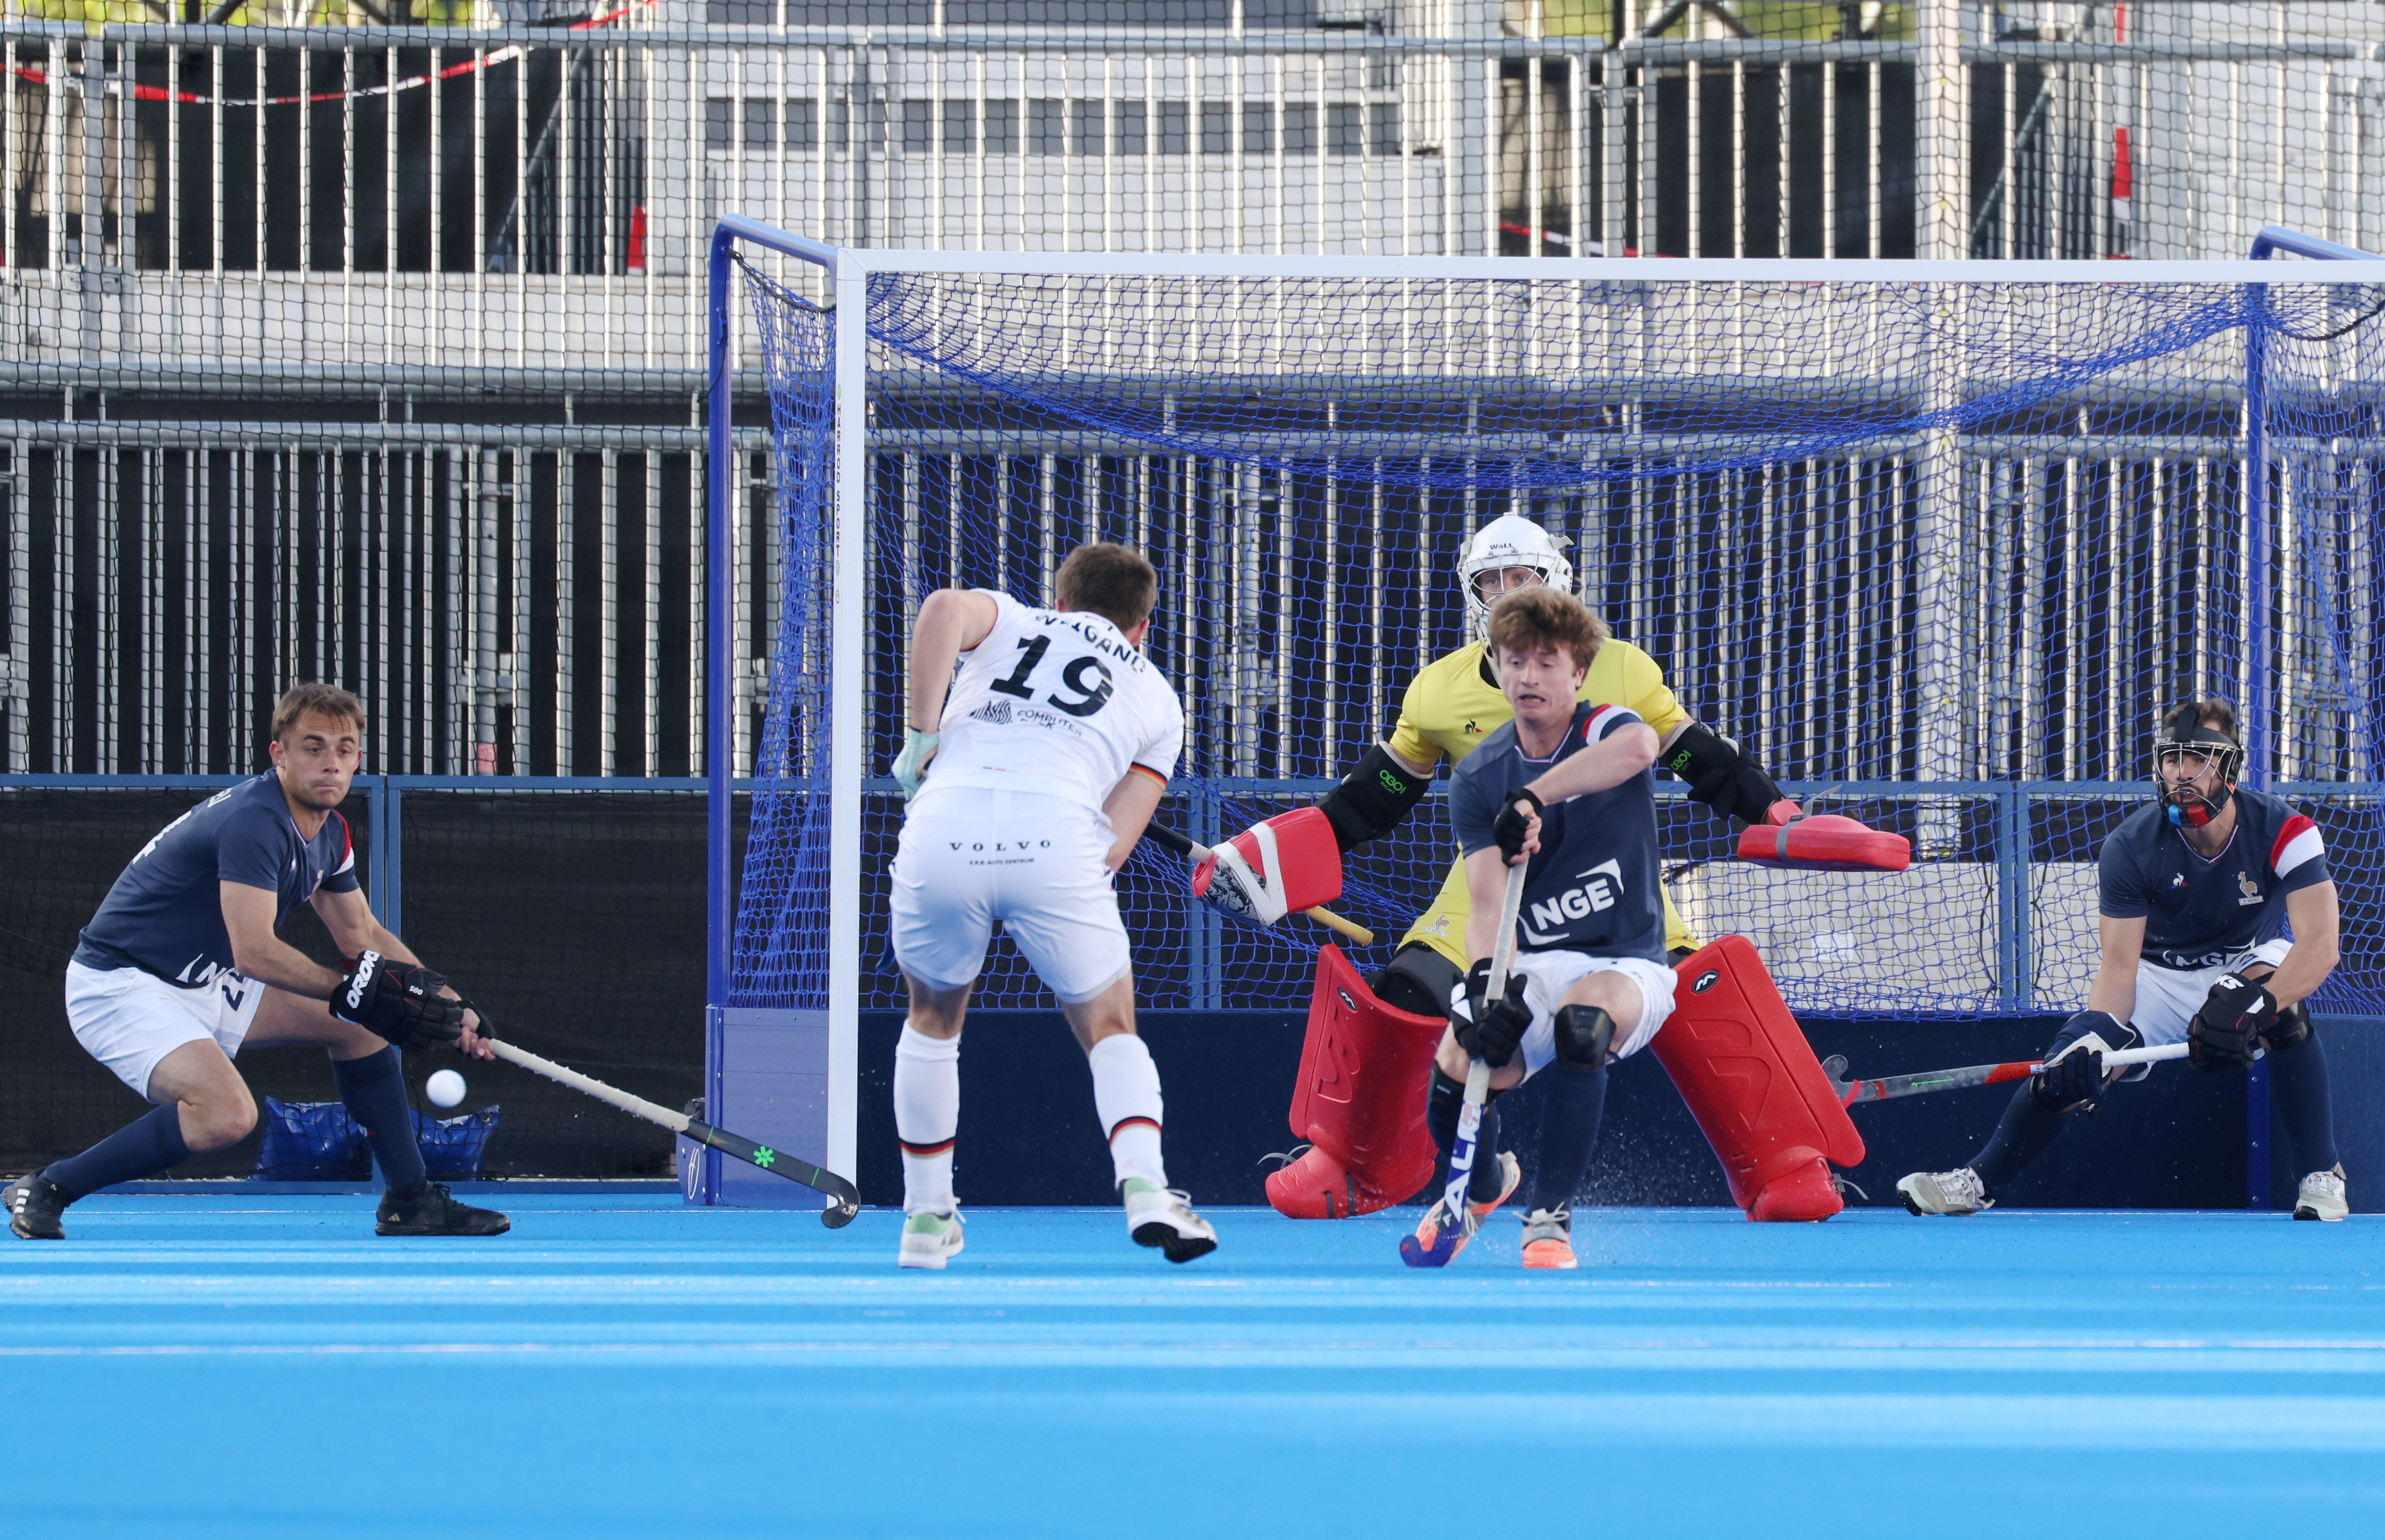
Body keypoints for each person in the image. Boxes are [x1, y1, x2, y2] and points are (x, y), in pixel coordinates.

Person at [1207, 514, 1844, 1223]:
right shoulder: (1439, 690)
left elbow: (1696, 755)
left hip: (1613, 880)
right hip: (1490, 880)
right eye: (1491, 581)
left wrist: (1778, 813)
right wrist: (1268, 859)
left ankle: (1783, 1159)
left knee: (1696, 989)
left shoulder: (1624, 669)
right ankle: (1363, 1162)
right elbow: (1375, 797)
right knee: (1408, 993)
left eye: (1523, 578)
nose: (1505, 593)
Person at [4, 684, 506, 1241]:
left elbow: (360, 931)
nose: (330, 763)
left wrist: (447, 1002)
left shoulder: (329, 831)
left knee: (361, 1029)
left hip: (205, 980)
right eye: (313, 747)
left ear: (358, 759)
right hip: (122, 984)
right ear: (279, 755)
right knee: (224, 1116)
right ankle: (48, 1186)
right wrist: (347, 990)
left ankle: (411, 1201)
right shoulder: (256, 822)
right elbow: (254, 951)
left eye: (344, 750)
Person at [884, 541, 1216, 1269]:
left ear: (1059, 603)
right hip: (1058, 840)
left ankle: (927, 1218)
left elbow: (940, 609)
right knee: (1108, 1022)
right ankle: (1147, 1188)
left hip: (944, 822)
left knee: (933, 1018)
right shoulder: (1160, 700)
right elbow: (1112, 847)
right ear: (1142, 627)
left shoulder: (1011, 617)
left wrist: (921, 737)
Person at [1899, 699, 2347, 1221]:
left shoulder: (2287, 829)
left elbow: (2320, 944)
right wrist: (2090, 1039)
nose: (2182, 772)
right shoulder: (2129, 846)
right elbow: (2118, 969)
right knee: (2069, 1067)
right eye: (2171, 758)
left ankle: (2322, 1173)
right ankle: (1977, 1181)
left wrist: (2257, 1005)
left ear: (2228, 767)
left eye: (2199, 757)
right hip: (2159, 975)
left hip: (2248, 958)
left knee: (2282, 1012)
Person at [1412, 585, 1677, 1268]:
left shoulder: (1602, 726)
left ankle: (1550, 1219)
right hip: (1534, 957)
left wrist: (1535, 795)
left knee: (1581, 1022)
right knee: (1456, 1063)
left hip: (1628, 961)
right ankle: (1484, 1185)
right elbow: (1489, 905)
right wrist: (1482, 985)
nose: (1527, 676)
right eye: (1513, 661)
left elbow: (1641, 747)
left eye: (1545, 662)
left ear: (1577, 672)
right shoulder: (1477, 776)